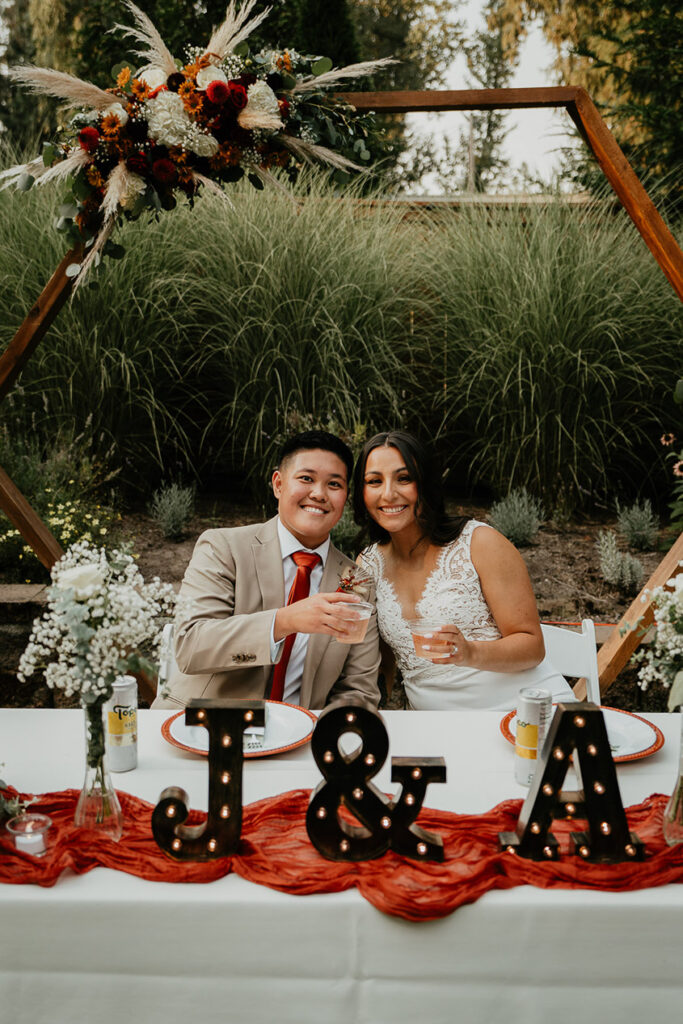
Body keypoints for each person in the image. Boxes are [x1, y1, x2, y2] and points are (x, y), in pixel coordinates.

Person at [154, 430, 380, 710]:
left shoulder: (357, 582)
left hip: (301, 738)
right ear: (278, 484)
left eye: (334, 484)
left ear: (345, 496)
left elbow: (359, 688)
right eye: (306, 478)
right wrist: (284, 621)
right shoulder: (223, 548)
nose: (319, 494)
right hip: (204, 728)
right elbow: (191, 647)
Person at [353, 430, 575, 711]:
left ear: (426, 484)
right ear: (362, 492)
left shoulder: (481, 543)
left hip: (523, 711)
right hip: (437, 728)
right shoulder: (366, 566)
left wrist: (469, 652)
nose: (388, 493)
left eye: (404, 478)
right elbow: (374, 660)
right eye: (374, 481)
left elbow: (532, 647)